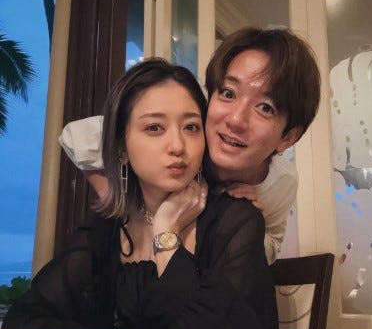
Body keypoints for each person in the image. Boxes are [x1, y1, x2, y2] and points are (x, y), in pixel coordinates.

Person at [1, 59, 280, 329]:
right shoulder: (107, 229)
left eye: (191, 127)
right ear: (121, 147)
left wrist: (166, 233)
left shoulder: (234, 223)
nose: (178, 146)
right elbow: (22, 324)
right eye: (154, 128)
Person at [60, 27, 321, 264]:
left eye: (265, 107)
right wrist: (123, 201)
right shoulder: (188, 136)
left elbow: (272, 246)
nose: (235, 120)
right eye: (228, 93)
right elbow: (74, 135)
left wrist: (246, 226)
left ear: (288, 138)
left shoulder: (281, 181)